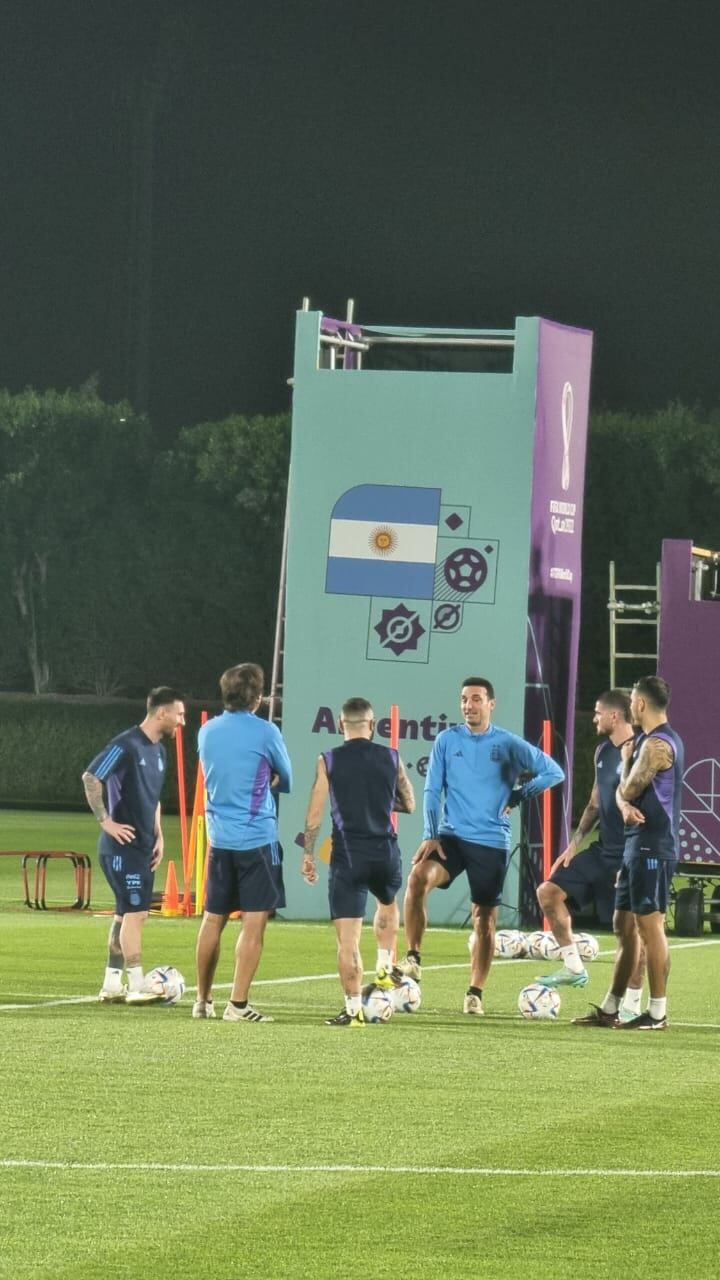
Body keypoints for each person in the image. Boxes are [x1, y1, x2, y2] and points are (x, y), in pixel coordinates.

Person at [398, 676, 564, 1014]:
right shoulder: (447, 740)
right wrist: (431, 833)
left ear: (491, 704)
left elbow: (553, 772)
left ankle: (475, 992)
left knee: (485, 921)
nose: (468, 706)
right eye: (464, 699)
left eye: (476, 699)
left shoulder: (507, 743)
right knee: (417, 878)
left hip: (490, 842)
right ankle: (413, 957)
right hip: (451, 837)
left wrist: (519, 795)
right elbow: (432, 790)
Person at [573, 675, 684, 1031]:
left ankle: (656, 1013)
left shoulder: (656, 747)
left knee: (650, 928)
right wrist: (622, 800)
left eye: (632, 701)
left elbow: (628, 786)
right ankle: (610, 1008)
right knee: (623, 926)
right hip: (635, 846)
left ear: (639, 705)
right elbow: (623, 795)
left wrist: (623, 774)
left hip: (654, 845)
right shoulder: (644, 744)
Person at [301, 696, 415, 1027]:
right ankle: (383, 965)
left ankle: (353, 1012)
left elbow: (315, 812)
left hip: (347, 855)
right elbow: (408, 803)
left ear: (341, 726)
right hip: (384, 851)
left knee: (348, 940)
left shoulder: (329, 760)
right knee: (388, 902)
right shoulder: (391, 757)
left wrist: (308, 853)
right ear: (373, 724)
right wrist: (377, 802)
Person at [535, 689, 646, 1016]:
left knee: (629, 932)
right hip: (602, 851)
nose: (594, 718)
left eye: (598, 713)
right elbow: (595, 803)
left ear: (615, 716)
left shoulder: (643, 751)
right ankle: (573, 967)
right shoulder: (601, 751)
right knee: (548, 892)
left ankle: (632, 1006)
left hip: (631, 854)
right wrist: (574, 843)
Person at [193, 663, 292, 1023]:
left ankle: (202, 1001)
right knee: (254, 923)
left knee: (212, 919)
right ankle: (237, 1005)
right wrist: (269, 778)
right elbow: (287, 778)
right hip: (256, 839)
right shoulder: (266, 732)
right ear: (259, 697)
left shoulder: (206, 731)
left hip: (219, 840)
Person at [82, 686, 186, 1004]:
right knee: (137, 914)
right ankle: (138, 982)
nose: (182, 722)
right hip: (121, 848)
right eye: (180, 715)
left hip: (142, 846)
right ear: (162, 713)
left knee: (124, 913)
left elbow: (151, 798)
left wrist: (159, 834)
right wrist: (106, 822)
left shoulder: (159, 751)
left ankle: (113, 983)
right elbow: (90, 777)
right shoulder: (125, 745)